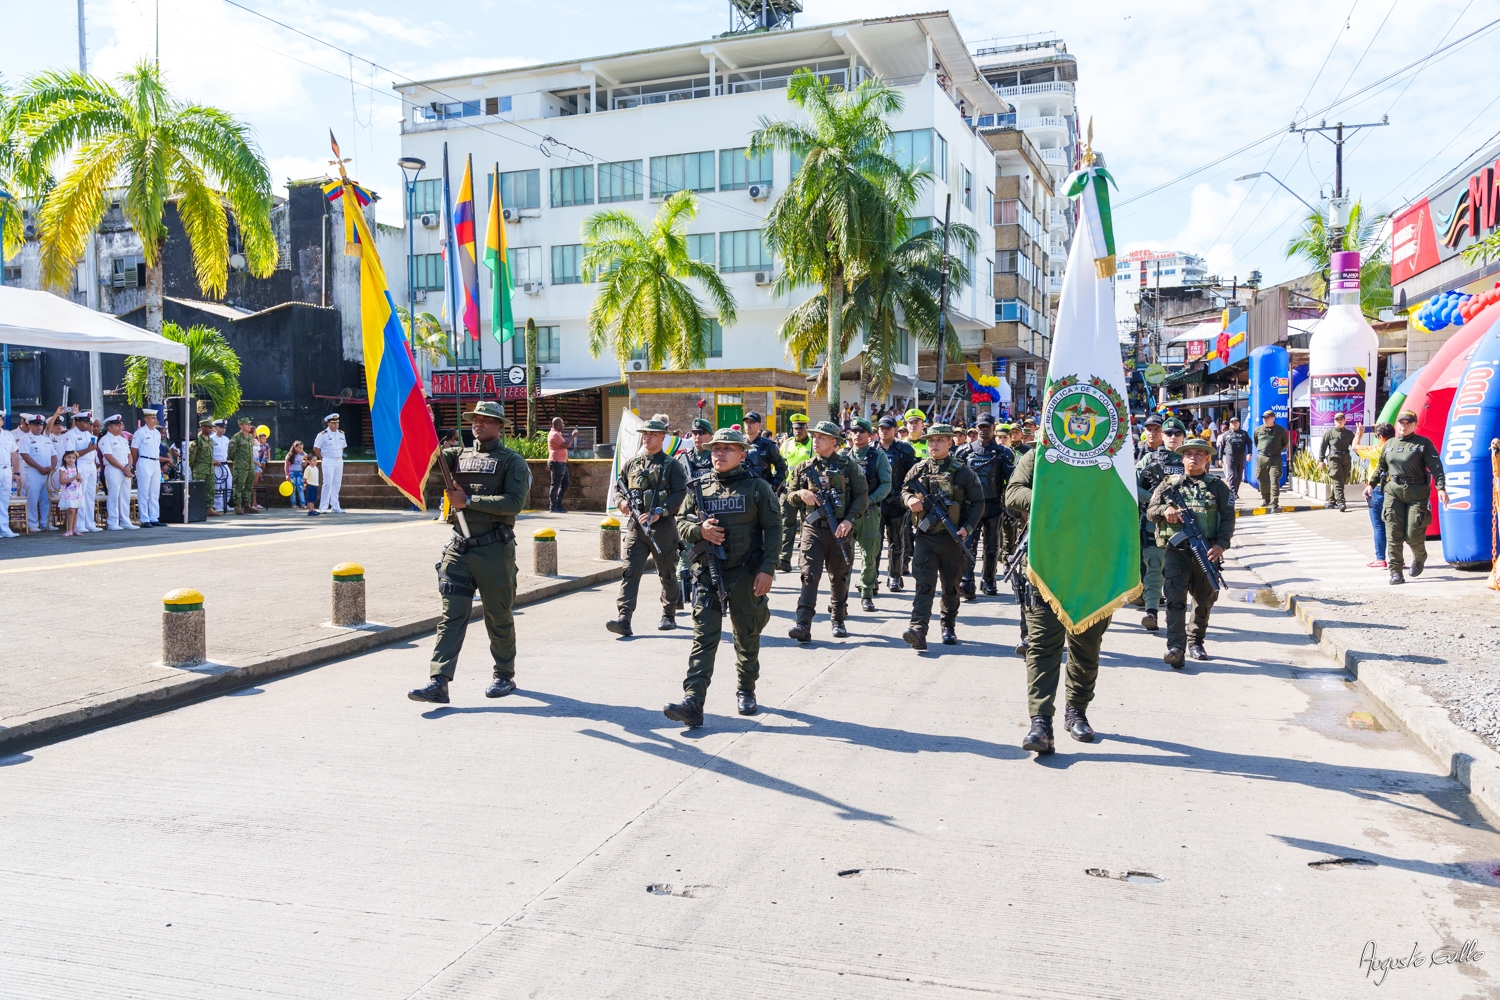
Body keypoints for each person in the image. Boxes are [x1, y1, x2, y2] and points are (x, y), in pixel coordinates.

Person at [407, 402, 531, 703]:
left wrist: (469, 500)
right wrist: (424, 421)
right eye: (476, 419)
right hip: (459, 549)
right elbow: (427, 456)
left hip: (493, 550)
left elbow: (514, 503)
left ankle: (504, 675)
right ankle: (439, 681)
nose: (479, 423)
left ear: (500, 426)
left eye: (487, 420)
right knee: (452, 616)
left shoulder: (512, 461)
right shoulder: (456, 456)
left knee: (497, 616)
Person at [663, 428, 780, 728]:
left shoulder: (757, 488)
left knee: (746, 635)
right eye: (716, 448)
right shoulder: (698, 487)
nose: (720, 453)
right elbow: (681, 525)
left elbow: (774, 530)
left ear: (742, 453)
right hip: (708, 576)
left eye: (728, 449)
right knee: (704, 639)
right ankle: (694, 701)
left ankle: (746, 688)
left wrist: (767, 569)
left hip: (746, 574)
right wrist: (700, 532)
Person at [1006, 446, 1109, 755]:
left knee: (1086, 646)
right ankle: (1040, 723)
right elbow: (1013, 494)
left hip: (1093, 564)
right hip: (1046, 563)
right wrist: (1050, 501)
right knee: (1041, 646)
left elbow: (1126, 500)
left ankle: (1076, 710)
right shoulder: (1037, 456)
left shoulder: (1111, 456)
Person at [1147, 438, 1235, 667]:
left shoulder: (1217, 486)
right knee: (1175, 598)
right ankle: (1176, 647)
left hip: (1208, 550)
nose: (1193, 458)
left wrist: (1221, 545)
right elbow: (1150, 511)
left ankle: (1196, 640)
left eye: (1199, 454)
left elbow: (1228, 518)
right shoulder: (1168, 484)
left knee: (1205, 599)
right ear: (1182, 458)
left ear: (1207, 459)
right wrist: (1165, 510)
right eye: (1188, 454)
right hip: (1177, 551)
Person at [901, 423, 982, 649]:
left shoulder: (963, 471)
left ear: (950, 442)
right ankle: (918, 628)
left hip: (952, 538)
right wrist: (909, 500)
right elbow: (904, 490)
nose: (934, 444)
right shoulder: (919, 469)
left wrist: (967, 527)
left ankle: (948, 626)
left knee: (950, 586)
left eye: (939, 440)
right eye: (930, 441)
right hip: (926, 537)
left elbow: (978, 502)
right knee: (923, 584)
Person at [786, 420, 868, 642]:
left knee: (839, 576)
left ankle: (838, 618)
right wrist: (801, 494)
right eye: (814, 436)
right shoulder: (804, 467)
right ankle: (803, 623)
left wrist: (850, 520)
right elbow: (788, 494)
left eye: (821, 437)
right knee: (809, 575)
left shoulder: (849, 466)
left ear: (834, 442)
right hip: (813, 528)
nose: (816, 440)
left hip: (840, 528)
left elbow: (862, 496)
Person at [609, 416, 687, 636]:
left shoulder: (671, 465)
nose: (647, 437)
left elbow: (680, 492)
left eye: (652, 434)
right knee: (630, 572)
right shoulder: (632, 464)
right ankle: (624, 618)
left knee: (667, 573)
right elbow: (618, 488)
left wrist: (660, 511)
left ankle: (669, 613)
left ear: (662, 437)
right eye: (645, 434)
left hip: (662, 528)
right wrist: (621, 502)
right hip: (636, 527)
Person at [1372, 409, 1448, 585]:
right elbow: (1381, 467)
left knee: (1413, 533)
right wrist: (1370, 484)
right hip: (1393, 492)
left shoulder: (1423, 443)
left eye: (1408, 423)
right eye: (1401, 422)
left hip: (1417, 493)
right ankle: (1396, 572)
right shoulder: (1389, 444)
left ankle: (1420, 557)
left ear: (1414, 425)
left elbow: (1436, 466)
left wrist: (1441, 488)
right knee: (1393, 533)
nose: (1403, 426)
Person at [954, 412, 1014, 599]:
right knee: (968, 544)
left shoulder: (1003, 453)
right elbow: (955, 480)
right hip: (971, 507)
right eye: (980, 426)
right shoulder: (964, 452)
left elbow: (1010, 482)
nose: (983, 429)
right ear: (976, 428)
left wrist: (1011, 507)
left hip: (994, 506)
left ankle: (989, 580)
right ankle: (967, 580)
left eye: (987, 426)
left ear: (993, 427)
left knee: (991, 546)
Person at [1134, 415, 1185, 632]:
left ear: (1183, 437)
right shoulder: (1148, 460)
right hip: (1154, 522)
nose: (1172, 437)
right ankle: (1151, 612)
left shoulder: (1190, 459)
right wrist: (1156, 499)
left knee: (1178, 574)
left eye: (1177, 433)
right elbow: (1131, 486)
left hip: (1183, 525)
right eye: (1168, 433)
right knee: (1154, 567)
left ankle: (1178, 622)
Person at [844, 417, 892, 613]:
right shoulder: (843, 457)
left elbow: (886, 484)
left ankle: (866, 593)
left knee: (869, 555)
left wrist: (869, 500)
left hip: (869, 512)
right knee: (843, 556)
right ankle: (841, 595)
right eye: (854, 431)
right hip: (846, 514)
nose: (857, 434)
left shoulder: (877, 457)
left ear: (870, 434)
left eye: (861, 431)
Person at [676, 417, 716, 607]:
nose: (697, 437)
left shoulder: (716, 456)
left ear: (710, 435)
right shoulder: (682, 458)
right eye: (694, 433)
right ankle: (678, 596)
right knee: (685, 553)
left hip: (713, 512)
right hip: (688, 512)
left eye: (701, 433)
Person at [876, 415, 918, 591]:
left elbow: (912, 475)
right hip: (877, 503)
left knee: (897, 542)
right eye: (881, 428)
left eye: (887, 427)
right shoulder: (872, 449)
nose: (884, 431)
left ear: (894, 429)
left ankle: (895, 576)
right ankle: (872, 577)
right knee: (874, 542)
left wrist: (903, 494)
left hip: (897, 504)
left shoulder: (904, 450)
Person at [777, 413, 814, 571]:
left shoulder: (813, 444)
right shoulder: (786, 444)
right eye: (795, 428)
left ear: (806, 428)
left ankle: (807, 559)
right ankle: (784, 559)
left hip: (808, 489)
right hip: (789, 489)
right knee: (786, 524)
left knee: (809, 524)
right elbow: (779, 466)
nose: (798, 431)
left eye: (801, 428)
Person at [1359, 422, 1396, 568]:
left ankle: (1380, 558)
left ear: (1379, 436)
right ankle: (1397, 558)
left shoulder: (1379, 448)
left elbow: (1356, 447)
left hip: (1377, 489)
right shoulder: (1398, 447)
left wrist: (1360, 433)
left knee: (1379, 526)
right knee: (1394, 526)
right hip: (1395, 489)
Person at [63, 411, 101, 532]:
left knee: (90, 495)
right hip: (79, 466)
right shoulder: (71, 435)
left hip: (90, 465)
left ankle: (90, 523)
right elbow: (70, 455)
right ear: (77, 422)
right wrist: (88, 449)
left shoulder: (88, 434)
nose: (88, 425)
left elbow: (93, 450)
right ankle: (80, 524)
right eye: (85, 422)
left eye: (89, 422)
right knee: (80, 495)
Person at [19, 413, 58, 532]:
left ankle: (45, 523)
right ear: (29, 425)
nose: (39, 427)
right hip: (33, 472)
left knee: (46, 498)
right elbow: (25, 455)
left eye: (40, 424)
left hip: (47, 472)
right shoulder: (25, 439)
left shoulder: (46, 439)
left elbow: (54, 455)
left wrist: (52, 467)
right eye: (36, 425)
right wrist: (39, 468)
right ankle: (32, 524)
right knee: (33, 498)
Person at [98, 414, 136, 530]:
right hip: (114, 469)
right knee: (114, 495)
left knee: (125, 495)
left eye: (120, 424)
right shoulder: (105, 439)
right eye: (116, 425)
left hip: (125, 469)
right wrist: (122, 468)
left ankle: (125, 520)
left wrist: (129, 466)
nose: (120, 427)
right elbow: (109, 456)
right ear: (109, 427)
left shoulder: (122, 439)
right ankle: (113, 522)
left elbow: (129, 455)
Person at [131, 406, 165, 526]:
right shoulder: (140, 433)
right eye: (152, 418)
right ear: (146, 419)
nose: (154, 420)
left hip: (155, 462)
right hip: (144, 461)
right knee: (144, 491)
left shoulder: (157, 433)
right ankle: (145, 519)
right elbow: (134, 450)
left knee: (155, 491)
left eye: (155, 418)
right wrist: (136, 464)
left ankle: (154, 517)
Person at [740, 411, 787, 498]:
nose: (748, 425)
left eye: (752, 422)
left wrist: (774, 485)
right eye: (746, 422)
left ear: (759, 425)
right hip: (741, 490)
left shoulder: (768, 445)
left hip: (762, 491)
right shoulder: (737, 443)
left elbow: (781, 467)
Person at [1319, 411, 1357, 512]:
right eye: (1337, 420)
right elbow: (1322, 447)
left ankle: (1332, 501)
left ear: (1344, 421)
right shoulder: (1329, 433)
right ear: (1334, 421)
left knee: (1342, 480)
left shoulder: (1349, 433)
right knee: (1338, 478)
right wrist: (1321, 460)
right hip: (1334, 458)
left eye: (1341, 419)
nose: (1339, 421)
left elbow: (1354, 446)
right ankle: (1341, 502)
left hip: (1346, 458)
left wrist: (1360, 455)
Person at [1252, 409, 1288, 511]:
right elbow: (1256, 442)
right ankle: (1265, 499)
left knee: (1274, 479)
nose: (1265, 420)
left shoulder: (1280, 430)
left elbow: (1285, 442)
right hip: (1262, 457)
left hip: (1275, 458)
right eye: (1264, 418)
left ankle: (1274, 503)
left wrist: (1277, 451)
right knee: (1262, 479)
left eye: (1267, 418)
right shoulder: (1258, 430)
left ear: (1273, 418)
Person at [313, 413, 347, 513]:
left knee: (337, 483)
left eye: (337, 423)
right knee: (327, 483)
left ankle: (335, 505)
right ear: (328, 423)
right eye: (333, 423)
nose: (336, 425)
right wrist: (322, 457)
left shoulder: (341, 434)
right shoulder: (323, 435)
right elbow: (316, 448)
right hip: (328, 460)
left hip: (339, 460)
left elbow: (343, 446)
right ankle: (323, 506)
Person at [188, 419, 220, 516]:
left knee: (210, 489)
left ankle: (209, 508)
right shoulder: (196, 441)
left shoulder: (210, 440)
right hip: (200, 469)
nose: (211, 429)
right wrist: (195, 467)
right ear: (202, 427)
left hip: (210, 468)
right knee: (198, 490)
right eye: (209, 427)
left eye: (212, 428)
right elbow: (191, 457)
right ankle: (198, 509)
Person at [226, 417, 258, 515]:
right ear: (241, 425)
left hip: (250, 465)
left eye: (249, 424)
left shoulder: (250, 437)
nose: (249, 426)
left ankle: (247, 505)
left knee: (249, 486)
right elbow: (231, 453)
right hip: (240, 466)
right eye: (246, 424)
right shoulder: (236, 437)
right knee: (239, 486)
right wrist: (238, 461)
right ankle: (238, 505)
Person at [546, 416, 577, 513]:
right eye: (562, 424)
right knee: (555, 485)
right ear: (558, 425)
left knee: (565, 484)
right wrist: (573, 436)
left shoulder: (557, 433)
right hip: (556, 462)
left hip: (561, 463)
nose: (563, 425)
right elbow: (566, 445)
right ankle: (553, 506)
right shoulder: (554, 434)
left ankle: (558, 504)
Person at [1216, 416, 1251, 495]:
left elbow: (1249, 443)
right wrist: (1220, 458)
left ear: (1239, 423)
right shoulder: (1226, 434)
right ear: (1230, 424)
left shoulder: (1244, 433)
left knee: (1239, 475)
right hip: (1230, 456)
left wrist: (1249, 453)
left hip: (1241, 456)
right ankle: (1232, 492)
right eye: (1232, 423)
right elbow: (1221, 447)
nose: (1234, 424)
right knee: (1232, 474)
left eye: (1236, 422)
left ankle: (1236, 491)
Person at [56, 450, 84, 536]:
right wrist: (74, 477)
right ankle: (69, 529)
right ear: (64, 458)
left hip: (76, 491)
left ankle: (74, 529)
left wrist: (79, 479)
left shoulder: (77, 469)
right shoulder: (63, 469)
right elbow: (62, 481)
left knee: (76, 509)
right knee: (71, 509)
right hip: (68, 491)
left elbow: (80, 480)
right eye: (69, 457)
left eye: (73, 458)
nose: (71, 459)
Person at [0, 410, 18, 538]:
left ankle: (4, 528)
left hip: (6, 469)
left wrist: (16, 472)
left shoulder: (7, 435)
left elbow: (14, 454)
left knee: (4, 500)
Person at [211, 419, 231, 513]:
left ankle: (225, 504)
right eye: (221, 427)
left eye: (224, 428)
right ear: (215, 428)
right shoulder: (211, 439)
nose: (223, 429)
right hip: (216, 464)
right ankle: (217, 505)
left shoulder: (226, 439)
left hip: (224, 464)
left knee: (228, 484)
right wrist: (213, 461)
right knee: (217, 485)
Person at [284, 440, 308, 509]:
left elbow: (304, 465)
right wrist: (287, 474)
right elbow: (286, 466)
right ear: (294, 447)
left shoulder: (303, 455)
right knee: (293, 488)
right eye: (299, 448)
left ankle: (303, 503)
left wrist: (305, 460)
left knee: (301, 488)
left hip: (299, 472)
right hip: (292, 473)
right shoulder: (290, 455)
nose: (301, 449)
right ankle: (293, 503)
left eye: (302, 448)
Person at [252, 427, 270, 512]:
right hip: (253, 462)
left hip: (257, 461)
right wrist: (256, 462)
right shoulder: (248, 441)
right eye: (254, 432)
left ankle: (255, 503)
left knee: (256, 485)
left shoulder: (255, 441)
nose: (256, 433)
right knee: (253, 485)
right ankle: (253, 503)